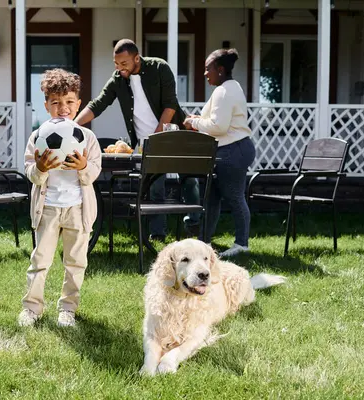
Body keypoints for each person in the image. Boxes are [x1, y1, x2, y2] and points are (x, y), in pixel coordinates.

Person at [74, 38, 201, 241]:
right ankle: (158, 235)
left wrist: (158, 136)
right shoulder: (118, 79)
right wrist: (73, 125)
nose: (119, 68)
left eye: (124, 64)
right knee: (155, 187)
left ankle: (194, 225)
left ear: (136, 58)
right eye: (116, 64)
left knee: (189, 180)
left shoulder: (159, 68)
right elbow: (98, 104)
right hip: (144, 143)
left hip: (171, 134)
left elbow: (170, 105)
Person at [18, 69, 102, 327]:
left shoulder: (87, 138)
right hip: (48, 209)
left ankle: (68, 308)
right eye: (55, 102)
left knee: (76, 262)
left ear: (78, 105)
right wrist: (41, 169)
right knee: (40, 260)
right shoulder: (38, 137)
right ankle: (32, 308)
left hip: (78, 208)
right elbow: (30, 171)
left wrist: (83, 167)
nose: (62, 108)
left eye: (68, 102)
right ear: (46, 105)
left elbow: (94, 171)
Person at [183, 48, 256, 258]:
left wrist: (194, 123)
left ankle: (242, 244)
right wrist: (197, 119)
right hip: (232, 148)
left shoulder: (224, 91)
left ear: (220, 70)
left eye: (208, 69)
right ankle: (204, 243)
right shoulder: (229, 88)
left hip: (234, 150)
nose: (205, 74)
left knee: (234, 196)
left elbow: (218, 126)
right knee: (212, 197)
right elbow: (213, 117)